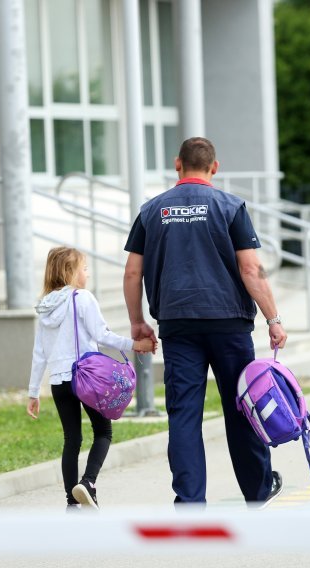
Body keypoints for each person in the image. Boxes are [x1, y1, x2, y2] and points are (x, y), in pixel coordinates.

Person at [123, 137, 289, 507]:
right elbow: (250, 268)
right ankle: (258, 490)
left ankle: (189, 501)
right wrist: (273, 318)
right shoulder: (230, 207)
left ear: (177, 164)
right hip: (229, 323)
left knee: (184, 413)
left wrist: (137, 322)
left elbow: (133, 273)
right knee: (243, 406)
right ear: (215, 167)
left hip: (178, 324)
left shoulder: (152, 210)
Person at [27, 247, 156, 511]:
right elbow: (102, 335)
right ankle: (88, 483)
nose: (87, 273)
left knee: (71, 439)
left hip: (59, 382)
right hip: (87, 378)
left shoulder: (44, 306)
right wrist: (135, 345)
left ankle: (71, 503)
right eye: (84, 269)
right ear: (70, 272)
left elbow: (39, 354)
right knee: (103, 432)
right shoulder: (81, 298)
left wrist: (33, 392)